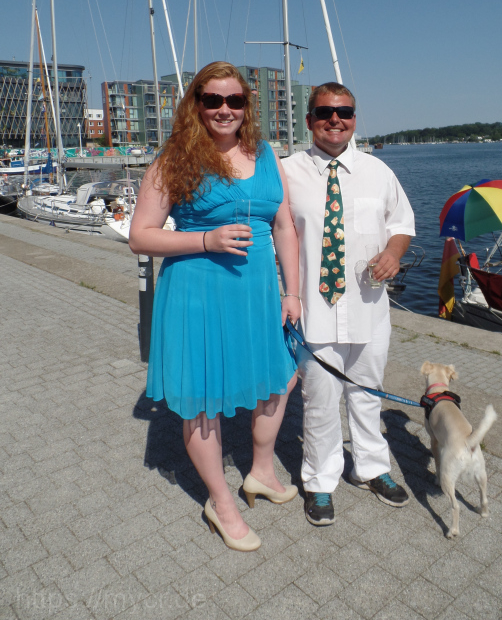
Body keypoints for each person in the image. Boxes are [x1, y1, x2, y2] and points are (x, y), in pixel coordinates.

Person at [130, 61, 301, 551]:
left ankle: (261, 471)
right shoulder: (175, 158)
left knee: (280, 377)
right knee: (203, 400)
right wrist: (206, 239)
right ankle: (220, 502)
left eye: (235, 100)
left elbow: (284, 226)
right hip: (197, 294)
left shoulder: (266, 154)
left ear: (247, 105)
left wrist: (292, 292)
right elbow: (140, 236)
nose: (225, 109)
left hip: (257, 295)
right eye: (213, 100)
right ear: (197, 105)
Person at [282, 82, 415, 526]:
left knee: (368, 393)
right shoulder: (286, 173)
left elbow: (402, 224)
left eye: (344, 112)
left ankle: (371, 468)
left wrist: (393, 252)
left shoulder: (379, 172)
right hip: (313, 311)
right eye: (325, 112)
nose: (335, 119)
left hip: (369, 307)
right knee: (319, 399)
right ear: (309, 120)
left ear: (355, 119)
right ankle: (320, 481)